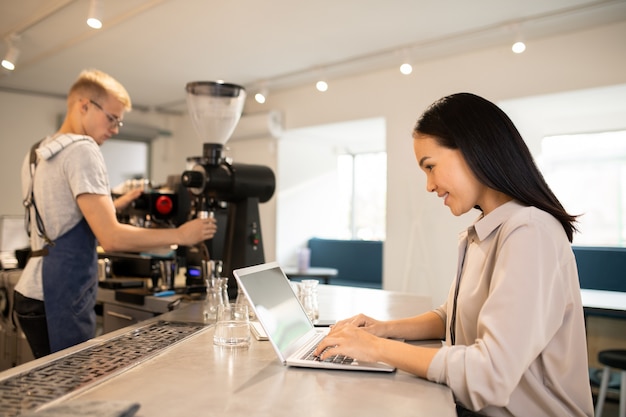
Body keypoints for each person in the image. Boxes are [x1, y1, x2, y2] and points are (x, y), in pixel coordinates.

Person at [314, 93, 594, 416]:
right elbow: (451, 317)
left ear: (472, 150)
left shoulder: (530, 232)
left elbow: (489, 374)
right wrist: (382, 329)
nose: (429, 186)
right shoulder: (487, 231)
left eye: (430, 167)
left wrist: (376, 349)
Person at [15, 69, 217, 359]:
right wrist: (182, 235)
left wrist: (113, 206)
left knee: (52, 387)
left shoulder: (39, 150)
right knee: (72, 391)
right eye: (111, 118)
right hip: (59, 295)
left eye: (119, 121)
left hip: (30, 293)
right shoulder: (83, 149)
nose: (116, 128)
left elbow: (57, 216)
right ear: (84, 105)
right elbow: (111, 238)